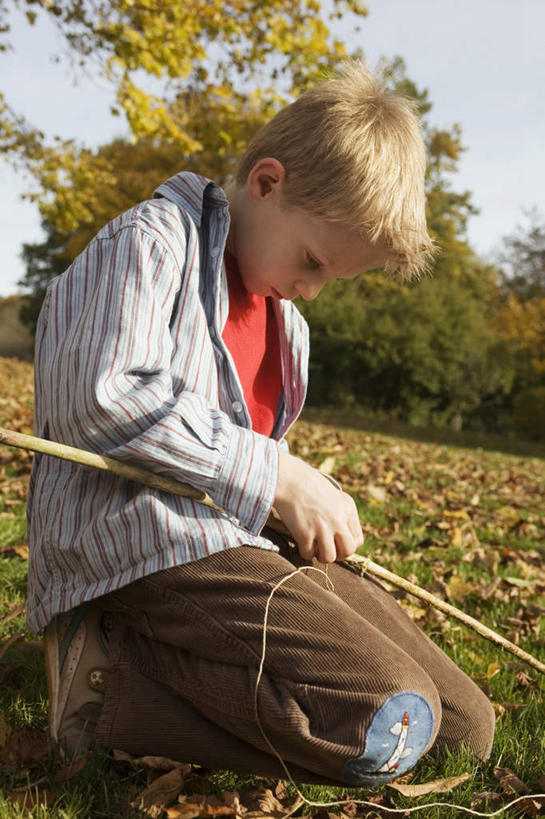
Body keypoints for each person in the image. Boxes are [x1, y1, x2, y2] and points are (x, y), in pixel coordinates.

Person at [28, 62, 495, 786]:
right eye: (311, 260)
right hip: (139, 545)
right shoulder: (151, 242)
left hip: (234, 550)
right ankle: (108, 678)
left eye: (330, 279)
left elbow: (248, 460)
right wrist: (274, 473)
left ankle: (156, 663)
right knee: (384, 715)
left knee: (466, 729)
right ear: (267, 182)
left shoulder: (290, 332)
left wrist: (292, 502)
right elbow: (100, 394)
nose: (310, 288)